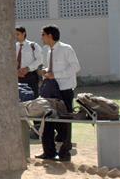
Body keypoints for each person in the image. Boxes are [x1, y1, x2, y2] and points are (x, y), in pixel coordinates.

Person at [37, 25, 81, 162]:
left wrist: (56, 75)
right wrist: (45, 71)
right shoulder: (49, 51)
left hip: (65, 91)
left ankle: (64, 153)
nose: (41, 37)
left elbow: (76, 67)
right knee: (48, 120)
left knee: (64, 122)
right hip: (51, 91)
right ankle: (49, 152)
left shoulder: (66, 49)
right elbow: (53, 68)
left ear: (50, 35)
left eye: (43, 34)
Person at [15, 26, 44, 98]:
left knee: (33, 97)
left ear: (24, 33)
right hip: (17, 76)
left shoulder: (33, 45)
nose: (15, 36)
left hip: (30, 76)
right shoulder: (14, 46)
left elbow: (40, 60)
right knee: (19, 98)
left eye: (17, 34)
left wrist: (27, 68)